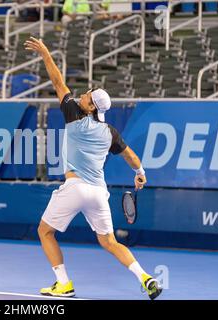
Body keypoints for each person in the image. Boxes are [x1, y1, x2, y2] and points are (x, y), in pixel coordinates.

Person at [24, 37, 162, 300]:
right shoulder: (109, 131)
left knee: (45, 231)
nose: (84, 94)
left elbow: (57, 82)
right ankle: (146, 278)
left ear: (90, 107)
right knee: (109, 241)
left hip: (75, 187)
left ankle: (63, 283)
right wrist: (140, 172)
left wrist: (45, 54)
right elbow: (130, 155)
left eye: (88, 95)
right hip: (99, 192)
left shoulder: (74, 114)